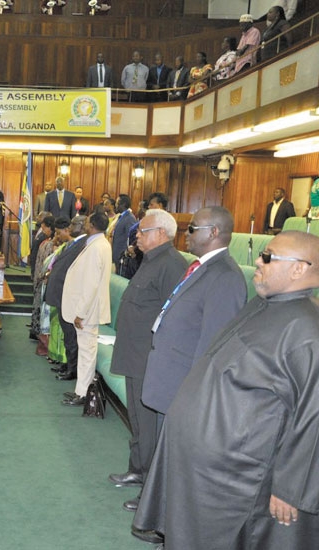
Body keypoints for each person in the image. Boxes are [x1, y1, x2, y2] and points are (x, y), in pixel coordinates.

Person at [134, 231, 319, 549]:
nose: (258, 262)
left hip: (238, 478)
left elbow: (312, 416)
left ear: (300, 268)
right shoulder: (264, 305)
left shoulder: (306, 329)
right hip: (208, 467)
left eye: (269, 257)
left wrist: (291, 488)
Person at [130, 207, 247, 541]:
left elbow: (213, 345)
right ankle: (162, 523)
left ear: (213, 232)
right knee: (170, 462)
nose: (187, 234)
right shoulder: (201, 268)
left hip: (185, 386)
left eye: (193, 228)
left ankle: (172, 532)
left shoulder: (225, 276)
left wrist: (193, 394)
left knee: (180, 467)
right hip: (170, 377)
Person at [106, 210, 187, 504]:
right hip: (134, 353)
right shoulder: (151, 260)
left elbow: (173, 316)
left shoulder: (173, 265)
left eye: (143, 231)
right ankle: (138, 470)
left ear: (162, 234)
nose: (137, 236)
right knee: (138, 421)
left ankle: (151, 495)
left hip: (149, 359)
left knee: (151, 427)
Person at [60, 210, 111, 406]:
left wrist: (80, 313)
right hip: (88, 310)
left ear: (92, 226)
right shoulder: (98, 243)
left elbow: (91, 284)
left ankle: (83, 394)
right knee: (85, 352)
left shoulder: (98, 247)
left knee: (87, 353)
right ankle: (80, 390)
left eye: (87, 222)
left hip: (87, 312)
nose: (84, 225)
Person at [43, 215, 88, 381]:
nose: (70, 227)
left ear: (84, 226)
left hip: (68, 295)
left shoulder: (85, 244)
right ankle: (67, 364)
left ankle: (72, 369)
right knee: (66, 333)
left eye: (75, 224)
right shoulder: (75, 243)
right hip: (61, 294)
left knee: (70, 335)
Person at [30, 213, 55, 343]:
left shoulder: (52, 243)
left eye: (45, 227)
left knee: (41, 304)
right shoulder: (43, 239)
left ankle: (39, 332)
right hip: (38, 274)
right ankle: (35, 330)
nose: (43, 230)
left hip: (44, 277)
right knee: (36, 302)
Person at [111, 194, 136, 265]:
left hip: (123, 258)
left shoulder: (129, 218)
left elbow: (131, 238)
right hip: (117, 256)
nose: (115, 205)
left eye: (117, 203)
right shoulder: (122, 216)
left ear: (123, 204)